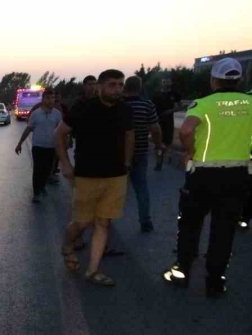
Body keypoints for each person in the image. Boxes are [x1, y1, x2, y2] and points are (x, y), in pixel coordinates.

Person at [162, 58, 252, 297]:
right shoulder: (250, 103)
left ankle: (181, 273)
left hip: (203, 174)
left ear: (213, 80)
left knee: (190, 224)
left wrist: (190, 151)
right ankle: (215, 281)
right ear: (239, 79)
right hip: (238, 175)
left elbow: (186, 129)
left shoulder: (203, 104)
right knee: (224, 230)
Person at [56, 69, 134, 287]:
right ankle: (67, 245)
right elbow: (59, 134)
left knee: (103, 222)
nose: (117, 89)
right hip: (87, 175)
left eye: (120, 85)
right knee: (82, 222)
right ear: (100, 86)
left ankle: (93, 270)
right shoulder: (83, 109)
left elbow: (130, 134)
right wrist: (65, 164)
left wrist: (127, 162)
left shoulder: (125, 110)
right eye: (112, 85)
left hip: (116, 175)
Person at [122, 76, 164, 232]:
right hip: (140, 151)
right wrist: (158, 146)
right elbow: (155, 129)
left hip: (119, 153)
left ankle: (106, 221)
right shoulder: (147, 105)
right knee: (141, 188)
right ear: (140, 88)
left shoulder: (119, 104)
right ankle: (145, 221)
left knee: (116, 189)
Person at [16, 90, 62, 202]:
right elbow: (28, 129)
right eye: (48, 98)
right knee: (38, 170)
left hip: (51, 147)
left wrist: (64, 143)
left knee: (47, 170)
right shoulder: (36, 114)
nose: (51, 101)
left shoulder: (57, 114)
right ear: (43, 99)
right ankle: (36, 193)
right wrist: (20, 143)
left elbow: (62, 130)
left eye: (52, 98)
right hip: (38, 147)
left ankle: (42, 187)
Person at [152, 77, 182, 171]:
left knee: (168, 142)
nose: (166, 83)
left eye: (168, 81)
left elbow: (180, 106)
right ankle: (159, 162)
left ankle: (166, 157)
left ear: (171, 82)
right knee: (158, 143)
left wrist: (171, 111)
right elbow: (151, 107)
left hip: (169, 121)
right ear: (161, 82)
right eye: (164, 81)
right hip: (157, 121)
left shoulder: (175, 94)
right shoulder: (156, 94)